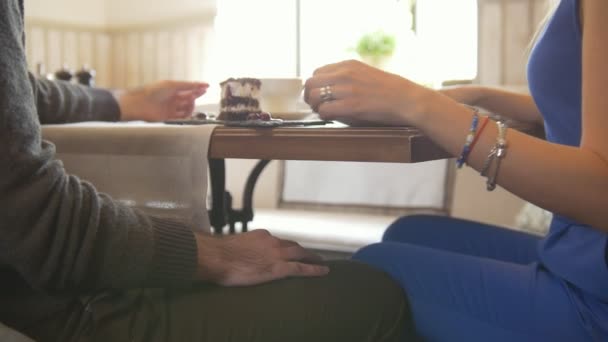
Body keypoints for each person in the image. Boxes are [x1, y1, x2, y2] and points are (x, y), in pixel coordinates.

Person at [0, 1, 415, 341]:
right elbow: (33, 223)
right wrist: (218, 253)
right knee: (373, 293)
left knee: (392, 247)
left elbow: (22, 89)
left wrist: (124, 102)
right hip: (39, 303)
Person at [304, 0, 607, 341]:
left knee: (372, 271)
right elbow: (573, 102)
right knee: (409, 232)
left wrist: (415, 102)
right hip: (581, 252)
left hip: (595, 295)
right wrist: (479, 95)